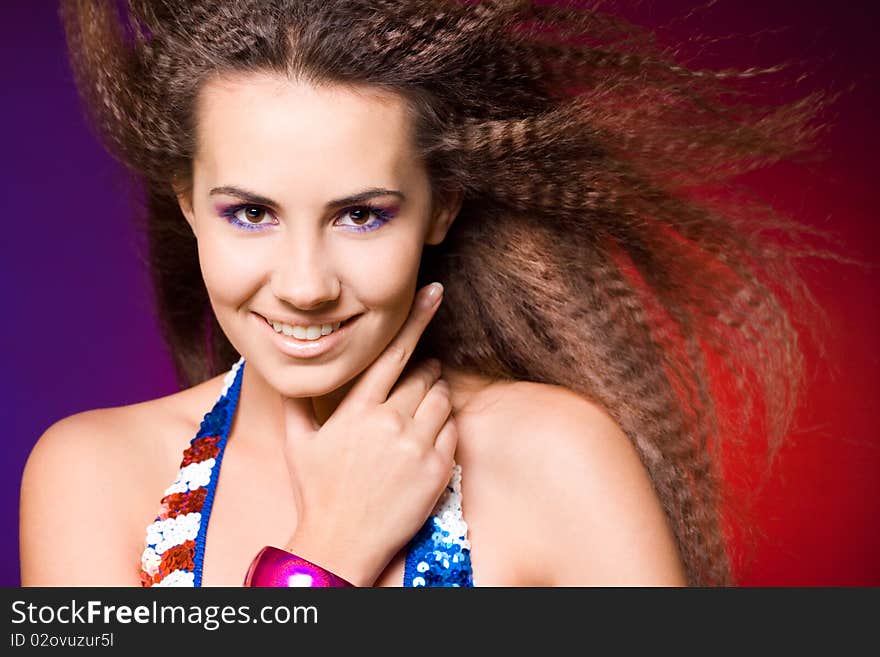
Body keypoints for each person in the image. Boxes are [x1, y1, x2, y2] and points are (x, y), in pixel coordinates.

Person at [20, 0, 843, 587]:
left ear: (440, 205)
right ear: (188, 203)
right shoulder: (93, 474)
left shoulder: (554, 459)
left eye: (362, 215)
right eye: (251, 212)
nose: (305, 285)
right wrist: (327, 550)